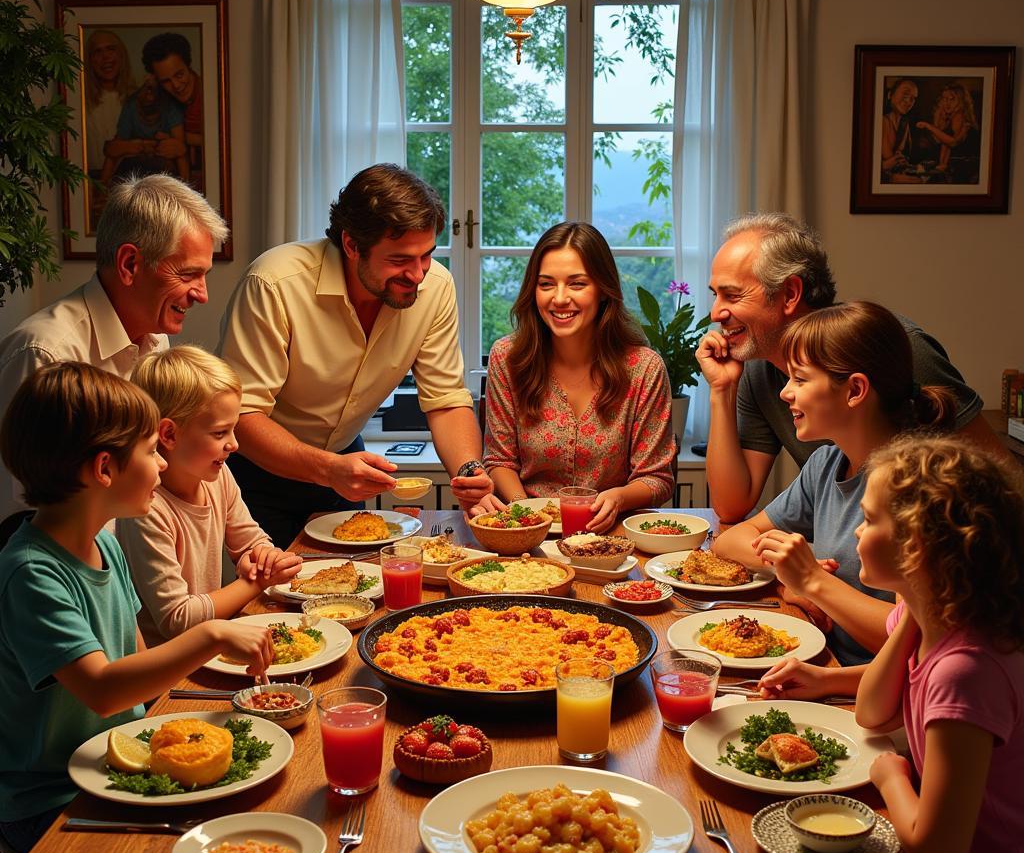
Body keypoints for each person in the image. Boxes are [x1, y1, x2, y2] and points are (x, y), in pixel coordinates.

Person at [0, 363, 274, 853]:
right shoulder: (32, 573)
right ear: (105, 469)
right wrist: (211, 635)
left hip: (123, 761)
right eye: (151, 452)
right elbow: (104, 689)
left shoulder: (106, 545)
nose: (163, 465)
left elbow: (143, 674)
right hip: (52, 797)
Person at [217, 163, 499, 549]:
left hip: (344, 460)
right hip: (260, 469)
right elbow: (242, 414)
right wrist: (326, 469)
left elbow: (447, 401)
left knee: (356, 590)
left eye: (427, 255)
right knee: (277, 595)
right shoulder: (275, 283)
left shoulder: (435, 287)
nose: (418, 274)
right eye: (400, 260)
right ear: (351, 245)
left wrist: (469, 472)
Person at [697, 211, 1000, 523]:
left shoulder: (892, 348)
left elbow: (1000, 485)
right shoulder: (759, 368)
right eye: (715, 295)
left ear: (789, 294)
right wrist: (722, 390)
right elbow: (731, 506)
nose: (716, 313)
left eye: (731, 295)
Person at [854, 435, 1024, 853]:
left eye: (868, 519)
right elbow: (872, 711)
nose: (857, 532)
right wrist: (910, 610)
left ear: (915, 547)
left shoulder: (965, 668)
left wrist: (890, 777)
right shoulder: (933, 617)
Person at [713, 302, 955, 666]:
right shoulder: (826, 465)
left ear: (855, 390)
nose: (785, 393)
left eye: (801, 379)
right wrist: (789, 579)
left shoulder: (917, 486)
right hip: (828, 667)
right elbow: (730, 540)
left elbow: (918, 642)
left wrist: (813, 581)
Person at [0, 173, 227, 533]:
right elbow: (24, 512)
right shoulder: (46, 353)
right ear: (129, 264)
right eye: (188, 275)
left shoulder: (155, 340)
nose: (202, 294)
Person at [483, 221, 674, 532]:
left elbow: (657, 479)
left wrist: (620, 498)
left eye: (577, 284)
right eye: (546, 284)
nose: (559, 298)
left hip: (612, 536)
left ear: (603, 290)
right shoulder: (507, 358)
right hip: (526, 536)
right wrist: (525, 513)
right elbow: (499, 461)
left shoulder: (644, 368)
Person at [118, 346, 302, 646]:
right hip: (169, 673)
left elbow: (250, 542)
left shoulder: (215, 477)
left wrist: (261, 557)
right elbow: (177, 621)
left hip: (210, 647)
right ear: (169, 435)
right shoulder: (146, 509)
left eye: (233, 430)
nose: (234, 444)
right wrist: (257, 580)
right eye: (220, 433)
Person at [99, 75, 188, 185]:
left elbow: (180, 150)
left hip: (164, 173)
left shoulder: (171, 106)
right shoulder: (131, 104)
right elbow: (114, 150)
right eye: (145, 87)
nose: (149, 94)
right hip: (132, 172)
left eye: (153, 88)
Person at [142, 32, 204, 190]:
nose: (176, 85)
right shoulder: (159, 101)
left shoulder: (212, 94)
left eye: (179, 74)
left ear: (188, 64)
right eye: (166, 81)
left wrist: (183, 140)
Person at [83, 30, 135, 176]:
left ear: (121, 55)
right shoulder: (80, 104)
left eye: (111, 49)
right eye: (97, 52)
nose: (105, 57)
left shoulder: (138, 98)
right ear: (90, 60)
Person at [916, 81, 979, 178]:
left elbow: (952, 142)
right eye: (944, 99)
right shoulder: (948, 116)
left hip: (967, 166)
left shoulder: (959, 114)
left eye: (952, 99)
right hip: (955, 166)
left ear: (961, 101)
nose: (947, 103)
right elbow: (942, 143)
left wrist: (928, 126)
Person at [881, 78, 919, 181]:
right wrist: (883, 165)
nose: (909, 102)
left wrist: (902, 161)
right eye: (905, 95)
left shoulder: (904, 123)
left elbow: (902, 157)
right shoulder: (882, 121)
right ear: (890, 95)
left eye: (913, 98)